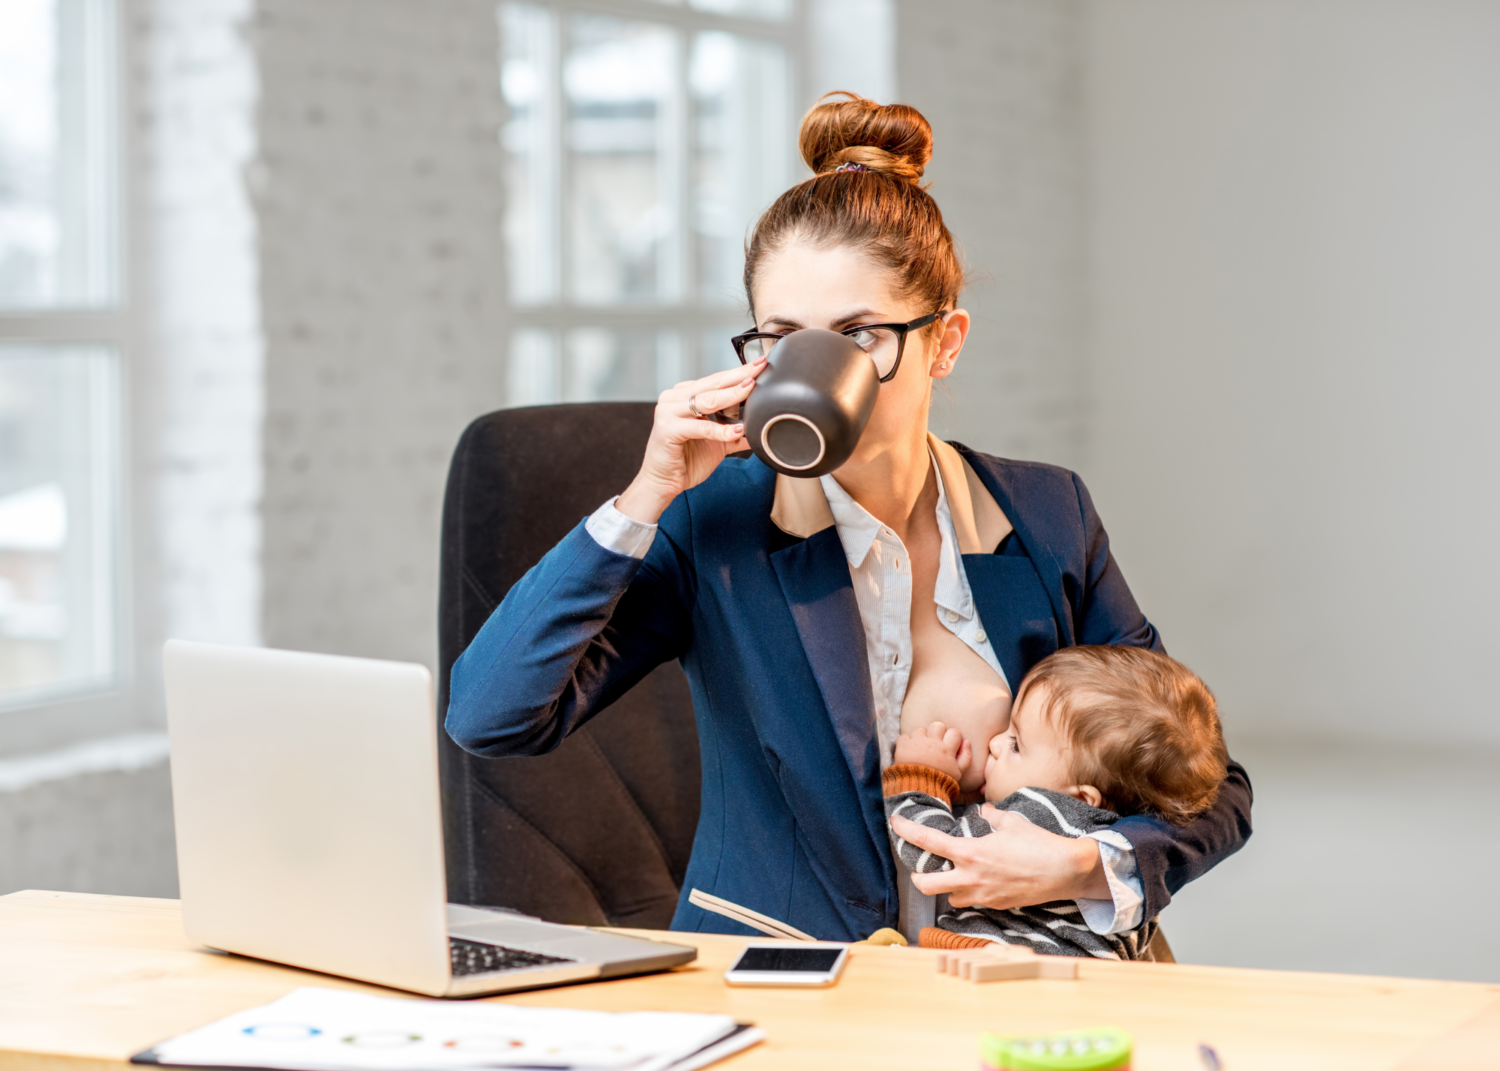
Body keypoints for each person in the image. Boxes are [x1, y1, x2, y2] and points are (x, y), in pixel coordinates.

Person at [445, 91, 1253, 944]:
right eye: (784, 336)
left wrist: (1085, 864)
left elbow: (1210, 787)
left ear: (944, 341)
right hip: (787, 974)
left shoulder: (1047, 514)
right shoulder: (713, 527)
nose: (818, 366)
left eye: (859, 332)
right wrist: (644, 495)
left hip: (1021, 977)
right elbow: (492, 717)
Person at [884, 646, 1228, 959]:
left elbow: (931, 853)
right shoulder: (1119, 826)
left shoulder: (1038, 812)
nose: (995, 744)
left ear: (1080, 797)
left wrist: (922, 777)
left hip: (998, 969)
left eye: (1017, 744)